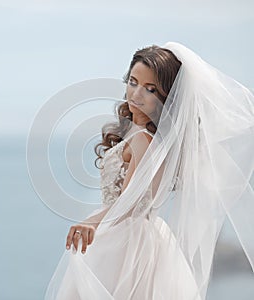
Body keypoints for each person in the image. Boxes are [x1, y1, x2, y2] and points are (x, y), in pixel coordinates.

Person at [45, 42, 254, 300]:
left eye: (150, 89)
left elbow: (131, 203)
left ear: (166, 97)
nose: (136, 94)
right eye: (133, 82)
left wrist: (92, 221)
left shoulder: (144, 140)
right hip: (125, 233)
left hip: (127, 242)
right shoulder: (137, 133)